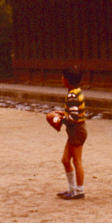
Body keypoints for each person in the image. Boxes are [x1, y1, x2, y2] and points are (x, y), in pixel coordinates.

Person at [48, 66, 87, 200]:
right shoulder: (77, 91)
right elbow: (75, 112)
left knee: (77, 161)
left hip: (76, 130)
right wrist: (62, 114)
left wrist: (60, 119)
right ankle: (72, 189)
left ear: (66, 80)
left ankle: (79, 191)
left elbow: (74, 117)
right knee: (65, 160)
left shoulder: (72, 95)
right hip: (75, 131)